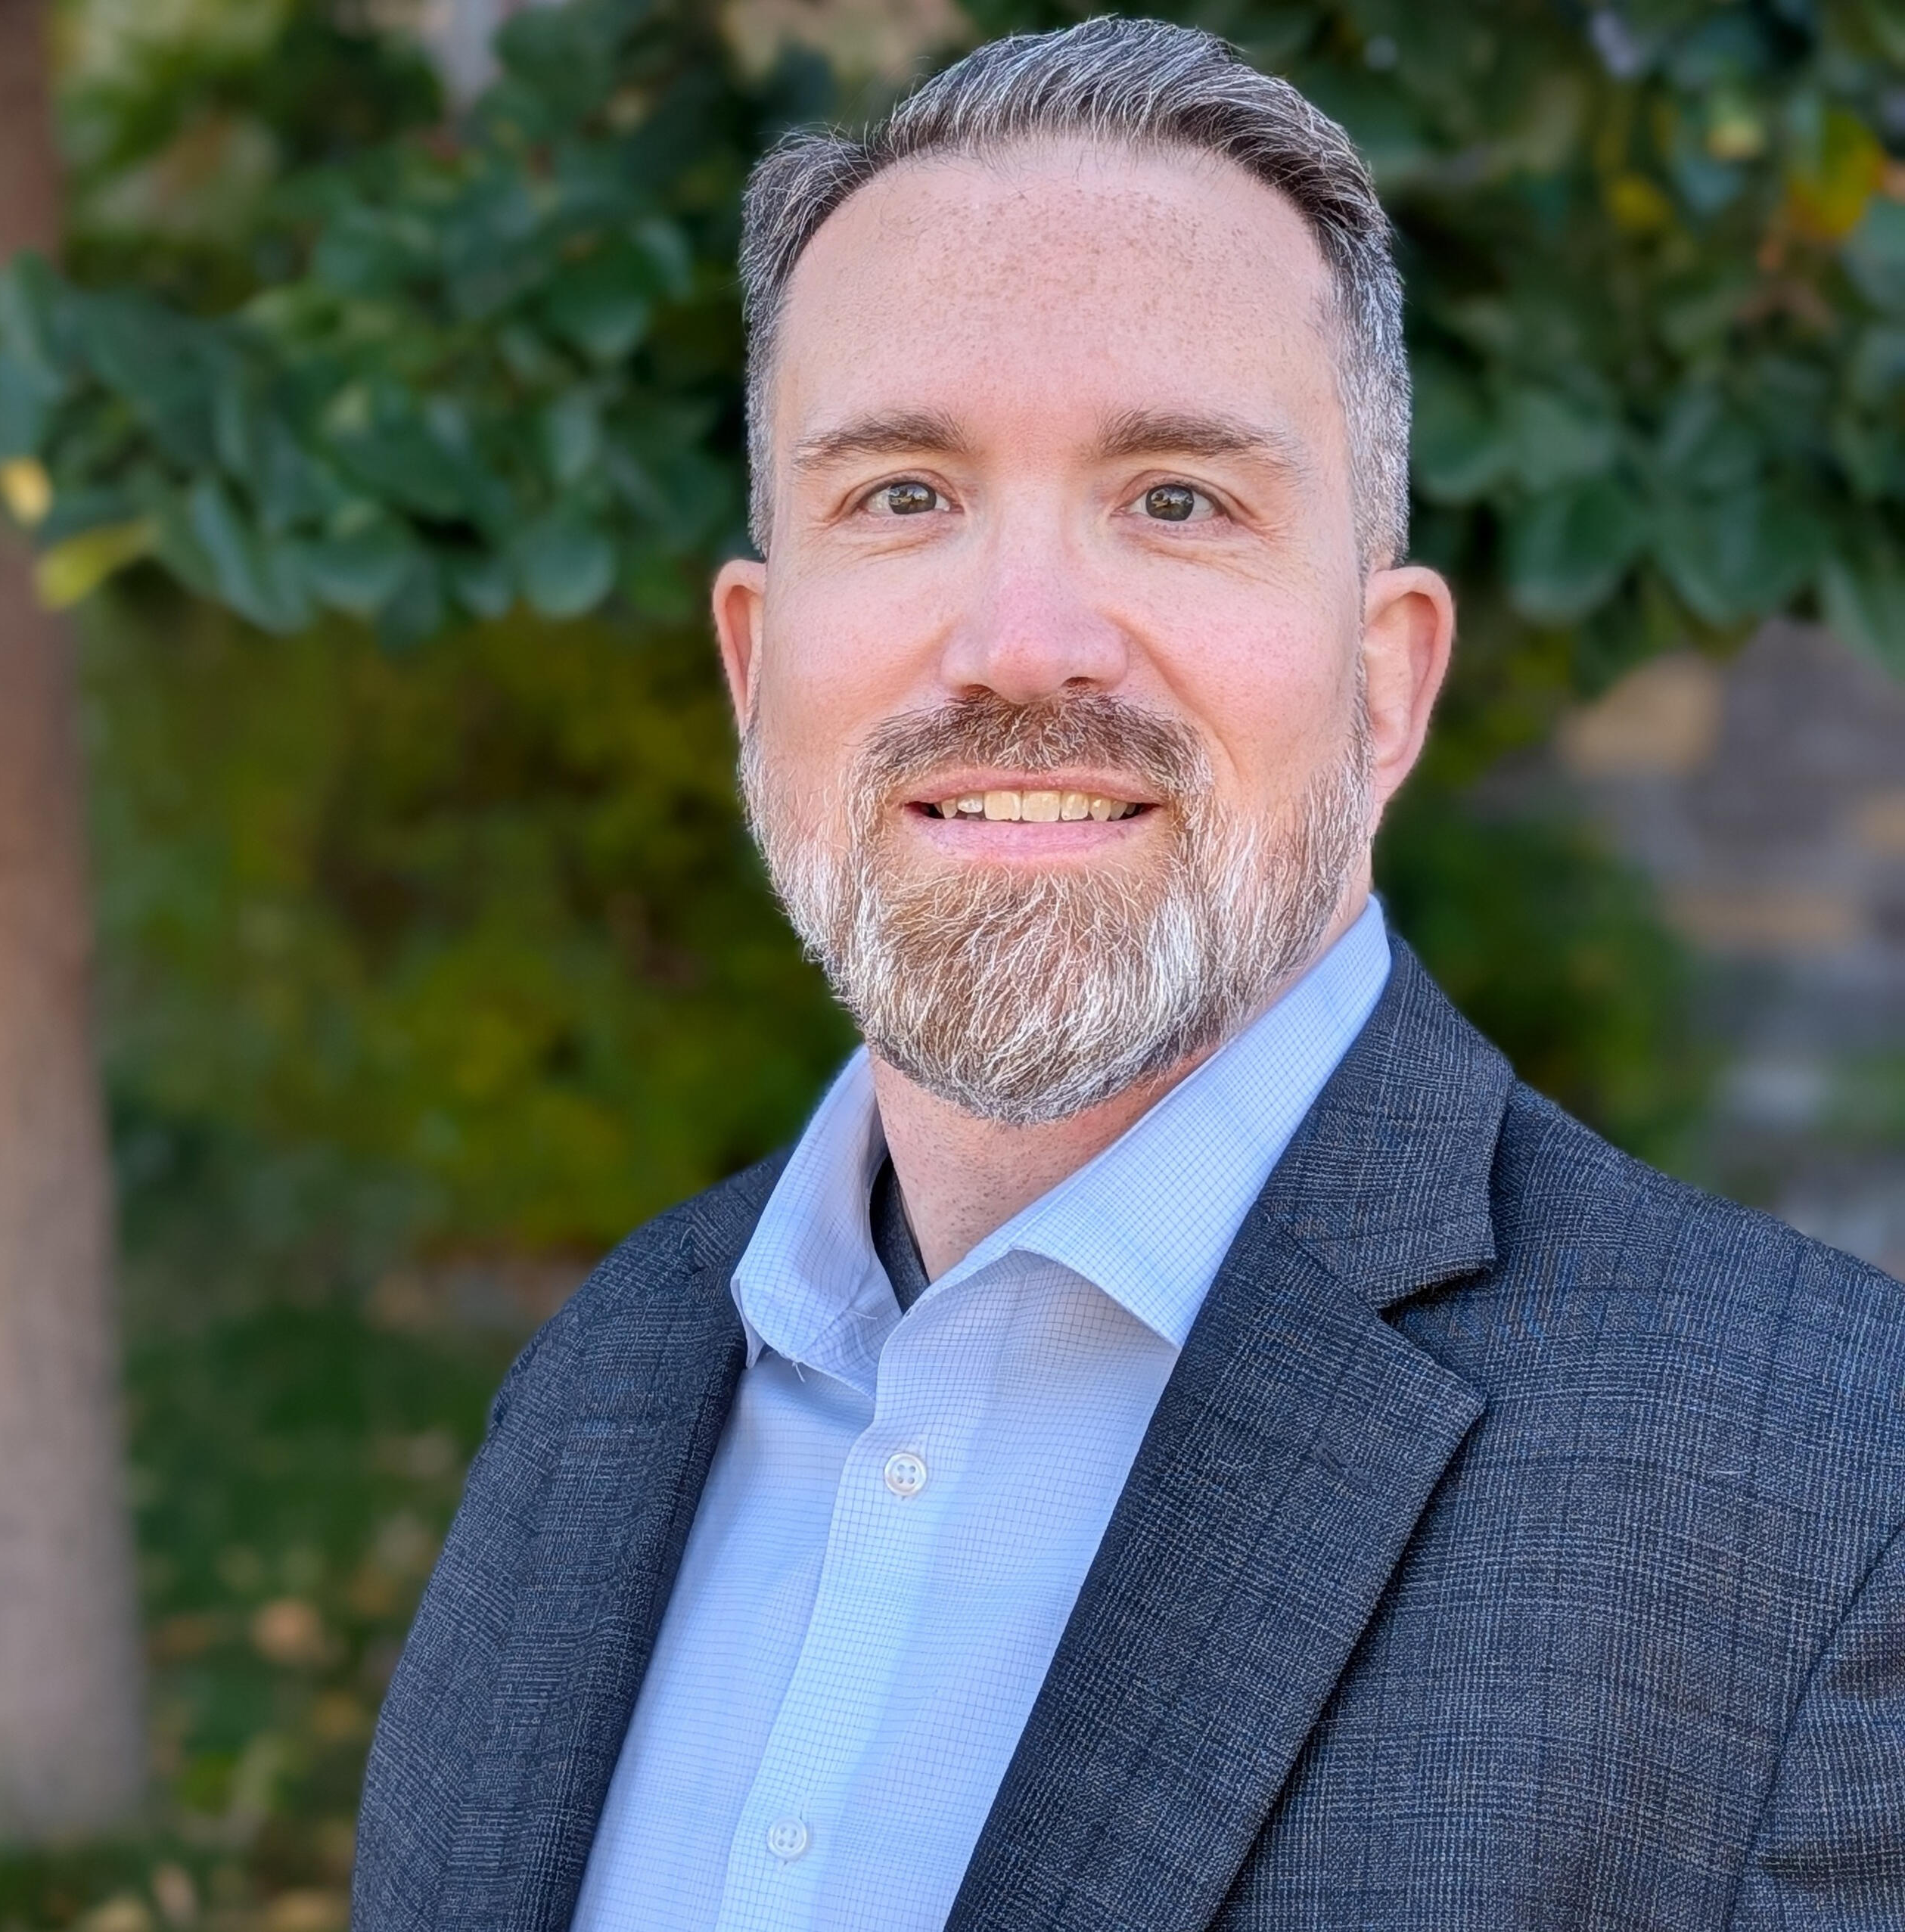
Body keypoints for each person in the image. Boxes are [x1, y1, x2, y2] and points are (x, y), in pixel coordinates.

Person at [353, 17, 1905, 1930]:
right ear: (756, 666)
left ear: (1387, 681)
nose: (1021, 643)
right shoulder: (602, 1383)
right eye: (902, 494)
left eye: (1176, 497)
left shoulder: (1831, 1495)